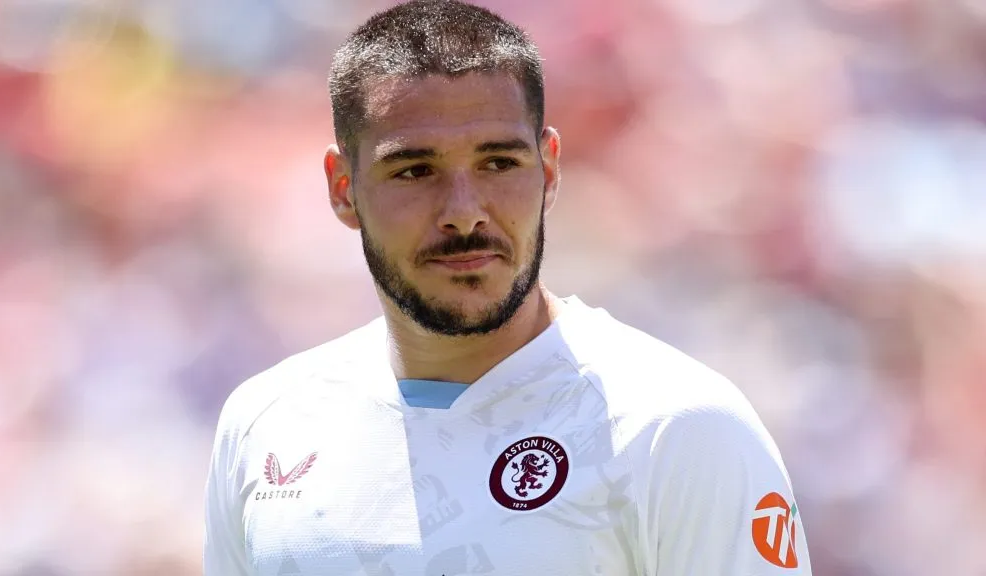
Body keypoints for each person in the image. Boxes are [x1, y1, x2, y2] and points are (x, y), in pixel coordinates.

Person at [203, 1, 813, 574]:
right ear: (343, 188)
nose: (465, 212)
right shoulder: (266, 423)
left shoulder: (674, 427)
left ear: (548, 169)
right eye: (415, 170)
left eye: (499, 163)